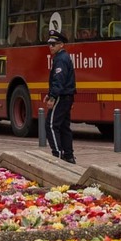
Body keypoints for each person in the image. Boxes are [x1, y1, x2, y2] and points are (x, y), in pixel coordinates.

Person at [46, 29, 77, 163]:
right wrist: (49, 94)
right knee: (64, 127)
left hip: (61, 97)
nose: (50, 47)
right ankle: (69, 156)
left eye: (54, 44)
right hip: (67, 96)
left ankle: (57, 154)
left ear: (61, 45)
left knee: (51, 125)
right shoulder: (64, 57)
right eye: (49, 44)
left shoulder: (60, 59)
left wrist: (52, 97)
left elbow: (59, 80)